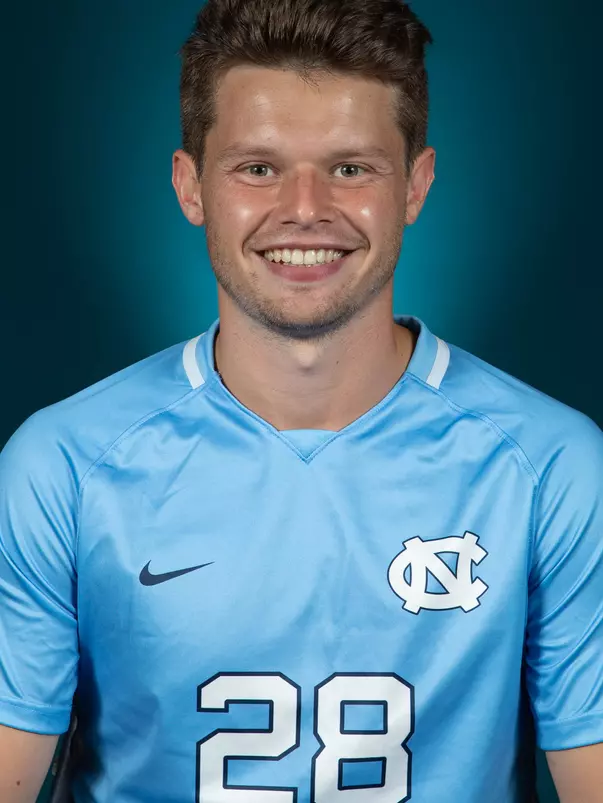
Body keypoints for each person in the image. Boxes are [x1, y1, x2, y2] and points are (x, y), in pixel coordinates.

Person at [1, 0, 602, 800]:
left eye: (350, 168)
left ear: (415, 185)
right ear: (191, 186)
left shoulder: (551, 467)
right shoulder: (63, 465)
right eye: (258, 168)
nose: (306, 208)